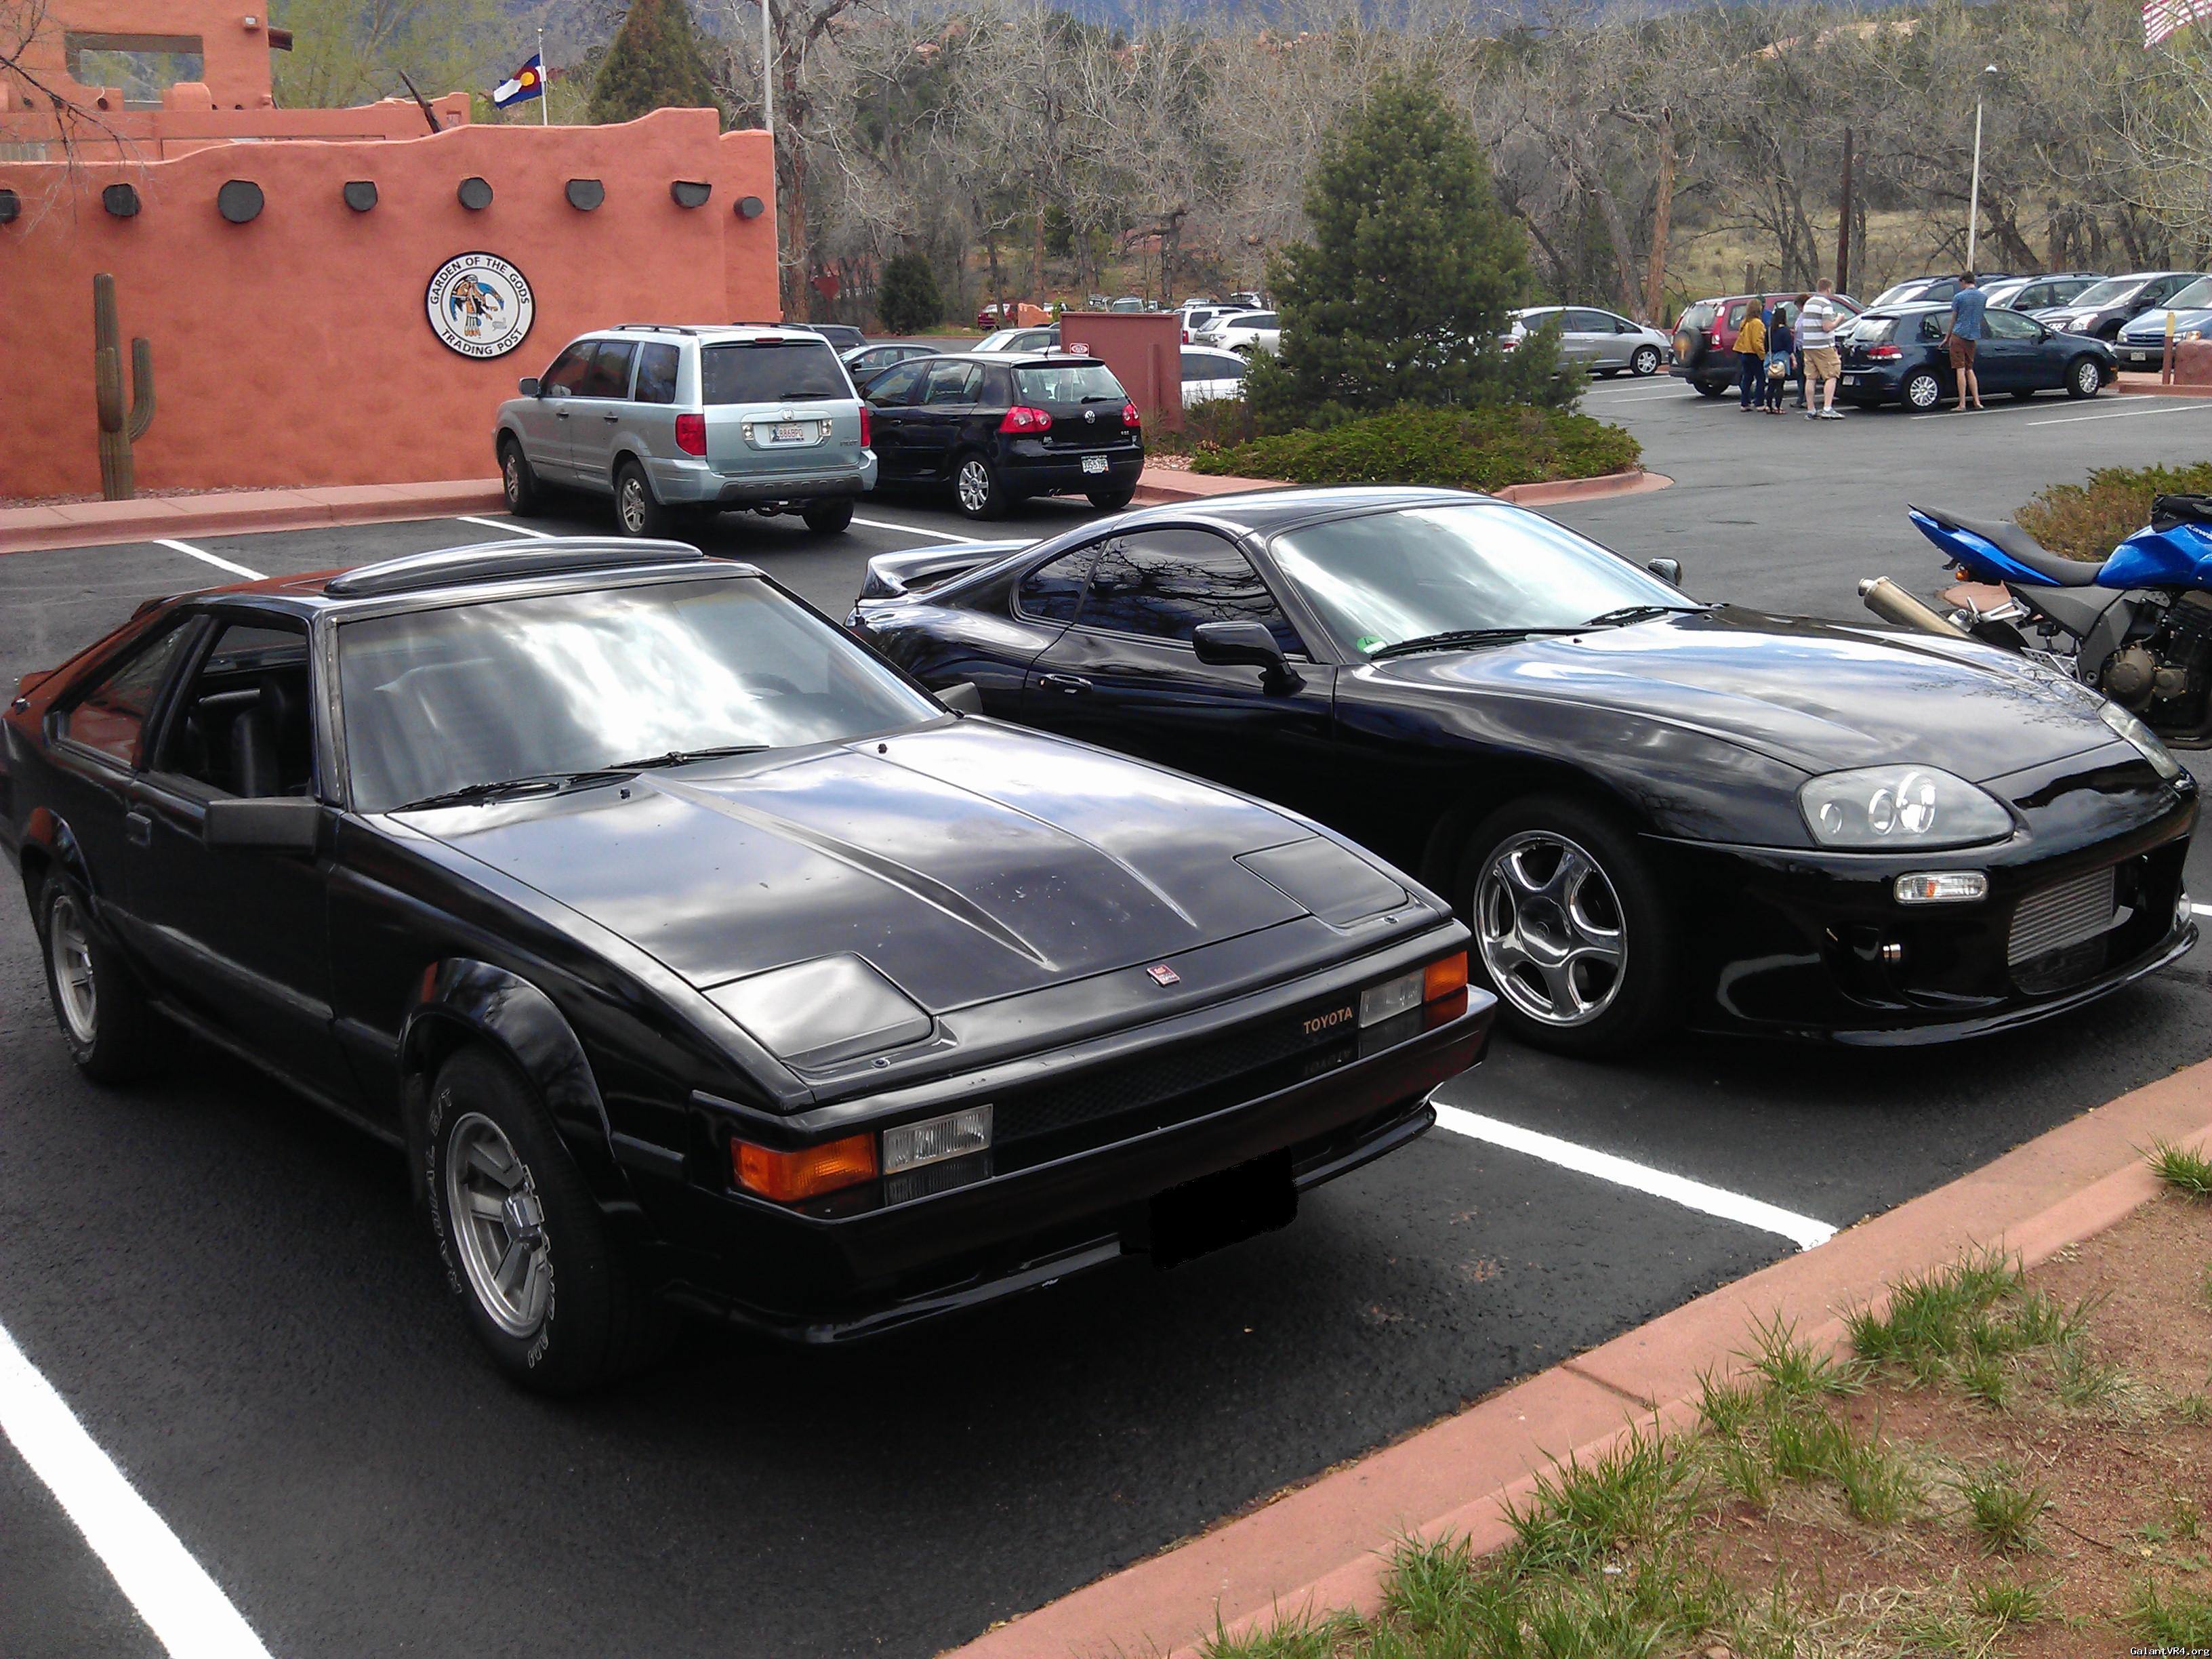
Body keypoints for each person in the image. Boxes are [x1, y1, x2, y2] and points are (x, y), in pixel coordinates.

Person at [1799, 279, 1846, 420]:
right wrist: (1839, 319)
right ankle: (1827, 408)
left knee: (1811, 377)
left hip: (1808, 345)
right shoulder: (1826, 304)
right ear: (1828, 289)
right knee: (1832, 374)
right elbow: (1827, 327)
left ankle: (1811, 409)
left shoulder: (1809, 303)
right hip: (1823, 345)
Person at [1948, 272, 1986, 411]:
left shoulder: (1959, 297)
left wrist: (1947, 337)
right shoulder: (1983, 297)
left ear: (1963, 281)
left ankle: (1962, 403)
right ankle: (1977, 401)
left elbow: (1954, 318)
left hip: (1959, 334)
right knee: (1970, 369)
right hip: (1973, 335)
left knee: (1960, 368)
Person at [1735, 301, 1767, 410]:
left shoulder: (1745, 322)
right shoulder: (1757, 323)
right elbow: (1757, 341)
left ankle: (1744, 403)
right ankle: (1759, 403)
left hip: (1744, 352)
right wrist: (1762, 355)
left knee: (1747, 379)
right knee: (1761, 378)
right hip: (1754, 353)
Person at [1763, 305, 1794, 414]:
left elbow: (1766, 346)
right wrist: (1794, 359)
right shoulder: (1785, 331)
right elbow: (1789, 347)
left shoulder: (1770, 330)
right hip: (1782, 358)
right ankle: (1777, 407)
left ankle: (1768, 406)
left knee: (1771, 384)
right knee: (1780, 385)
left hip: (1771, 358)